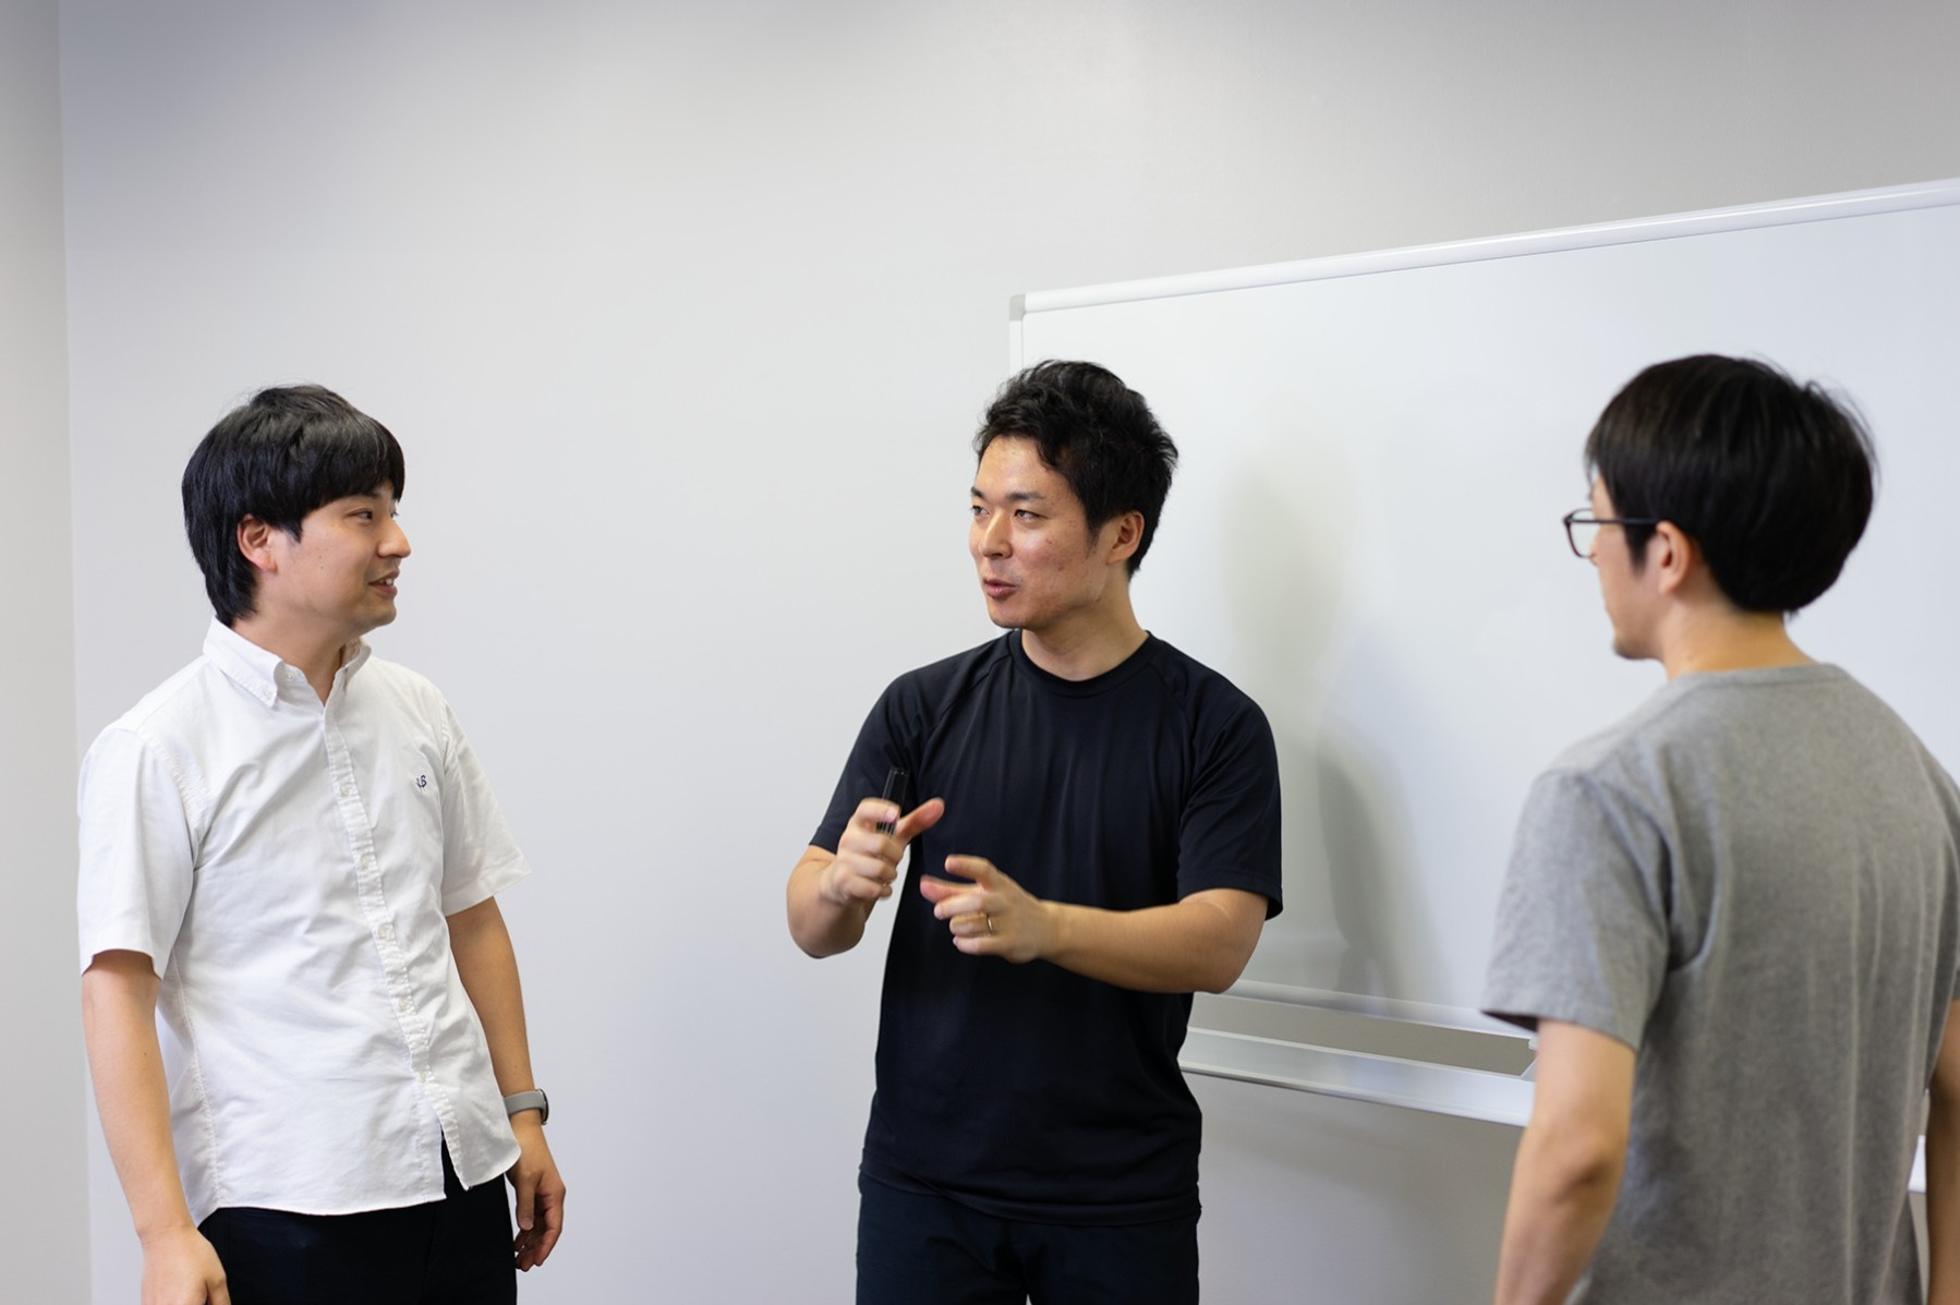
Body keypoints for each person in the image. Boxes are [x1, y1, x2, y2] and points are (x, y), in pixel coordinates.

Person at [786, 360, 1283, 1304]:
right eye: (979, 509)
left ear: (1122, 533)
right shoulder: (922, 706)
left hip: (1119, 1199)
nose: (989, 543)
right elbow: (812, 926)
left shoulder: (1215, 725)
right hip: (924, 1187)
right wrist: (840, 885)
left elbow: (1220, 942)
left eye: (1026, 514)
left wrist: (1046, 926)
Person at [1483, 354, 1960, 1303]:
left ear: (1665, 551)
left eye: (1597, 523)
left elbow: (1576, 1147)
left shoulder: (1607, 791)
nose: (1593, 556)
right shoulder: (1921, 781)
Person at [78, 385, 565, 1305]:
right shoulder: (157, 747)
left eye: (393, 511)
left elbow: (472, 918)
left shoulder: (417, 708)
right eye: (363, 515)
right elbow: (116, 989)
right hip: (287, 1205)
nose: (398, 542)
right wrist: (164, 1232)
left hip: (461, 1175)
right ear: (259, 539)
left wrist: (521, 1114)